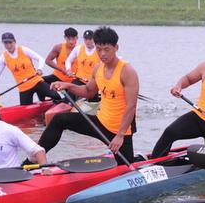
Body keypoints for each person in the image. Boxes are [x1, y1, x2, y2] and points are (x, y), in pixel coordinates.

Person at [40, 26, 139, 164]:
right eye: (99, 49)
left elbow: (131, 106)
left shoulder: (127, 71)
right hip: (100, 121)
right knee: (59, 120)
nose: (102, 54)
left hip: (120, 130)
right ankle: (35, 157)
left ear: (116, 48)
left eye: (107, 49)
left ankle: (138, 161)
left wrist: (120, 135)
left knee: (127, 166)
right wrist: (68, 85)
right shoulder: (98, 68)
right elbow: (88, 91)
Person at [0, 32, 58, 105]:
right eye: (6, 43)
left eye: (10, 42)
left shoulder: (24, 50)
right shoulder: (3, 57)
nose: (8, 45)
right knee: (25, 109)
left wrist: (40, 69)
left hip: (36, 81)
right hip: (23, 88)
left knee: (56, 96)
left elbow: (40, 59)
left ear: (14, 41)